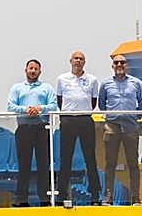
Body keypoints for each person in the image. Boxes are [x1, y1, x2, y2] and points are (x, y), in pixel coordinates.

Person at [7, 58, 57, 207]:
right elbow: (10, 106)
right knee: (24, 165)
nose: (33, 71)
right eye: (31, 68)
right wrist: (26, 110)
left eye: (36, 69)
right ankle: (21, 199)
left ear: (40, 71)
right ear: (26, 70)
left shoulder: (47, 88)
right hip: (24, 129)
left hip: (42, 128)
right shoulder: (17, 88)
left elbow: (53, 106)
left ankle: (45, 199)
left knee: (43, 164)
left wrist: (39, 109)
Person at [54, 51, 101, 207]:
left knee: (90, 158)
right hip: (68, 120)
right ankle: (61, 195)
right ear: (70, 61)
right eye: (76, 58)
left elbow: (93, 102)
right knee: (65, 159)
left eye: (81, 59)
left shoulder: (92, 80)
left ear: (84, 62)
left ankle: (95, 194)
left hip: (85, 120)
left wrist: (82, 110)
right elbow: (59, 100)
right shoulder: (62, 79)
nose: (78, 61)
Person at [98, 54, 142, 205]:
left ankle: (135, 198)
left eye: (122, 62)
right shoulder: (105, 84)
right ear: (112, 65)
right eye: (116, 62)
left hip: (130, 126)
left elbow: (141, 104)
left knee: (133, 163)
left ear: (126, 65)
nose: (119, 65)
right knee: (110, 163)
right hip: (112, 126)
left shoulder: (136, 83)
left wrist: (133, 117)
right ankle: (108, 197)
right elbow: (102, 104)